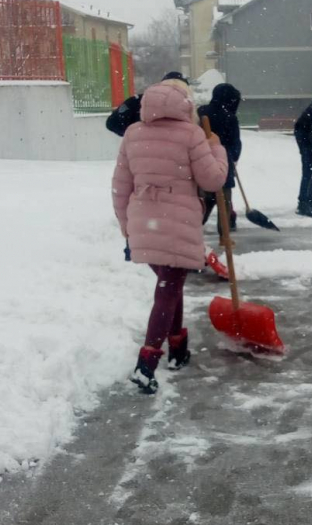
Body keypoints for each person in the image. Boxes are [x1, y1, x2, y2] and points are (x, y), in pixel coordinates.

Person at [112, 79, 228, 394]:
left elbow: (121, 185)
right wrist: (216, 147)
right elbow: (213, 178)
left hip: (144, 223)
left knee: (169, 283)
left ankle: (178, 347)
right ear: (184, 105)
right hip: (176, 223)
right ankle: (147, 362)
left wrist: (127, 226)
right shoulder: (191, 135)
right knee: (169, 287)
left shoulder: (133, 134)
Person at [198, 83, 243, 233]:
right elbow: (235, 145)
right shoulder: (230, 118)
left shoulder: (200, 112)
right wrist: (231, 158)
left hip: (201, 165)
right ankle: (225, 236)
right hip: (223, 167)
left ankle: (192, 230)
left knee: (202, 204)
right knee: (224, 205)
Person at [106, 71, 190, 137]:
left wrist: (135, 135)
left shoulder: (137, 102)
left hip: (141, 154)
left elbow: (112, 123)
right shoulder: (190, 109)